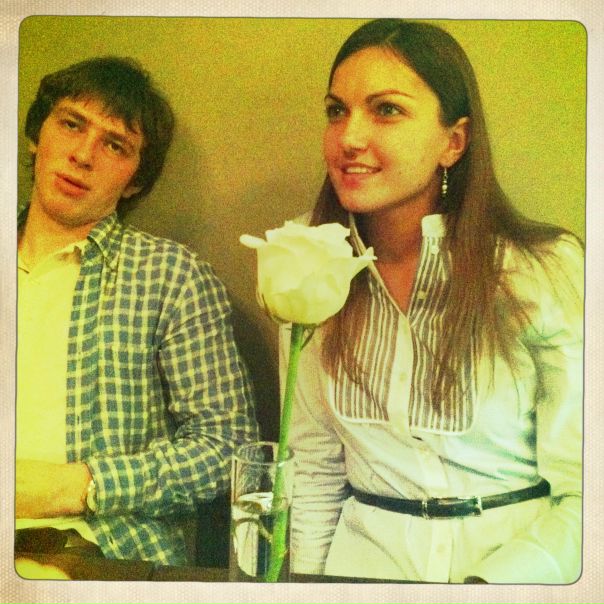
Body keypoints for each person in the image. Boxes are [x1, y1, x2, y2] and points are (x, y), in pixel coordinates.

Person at [284, 19, 583, 584]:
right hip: (359, 574)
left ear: (454, 142)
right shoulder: (307, 257)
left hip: (513, 574)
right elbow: (314, 470)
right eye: (336, 111)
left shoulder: (543, 269)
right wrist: (305, 588)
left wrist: (487, 587)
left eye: (386, 110)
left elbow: (586, 490)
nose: (349, 138)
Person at [16, 56, 260, 567]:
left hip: (90, 547)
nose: (82, 155)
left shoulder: (171, 277)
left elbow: (228, 447)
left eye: (114, 145)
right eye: (71, 124)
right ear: (37, 135)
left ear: (135, 181)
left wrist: (78, 486)